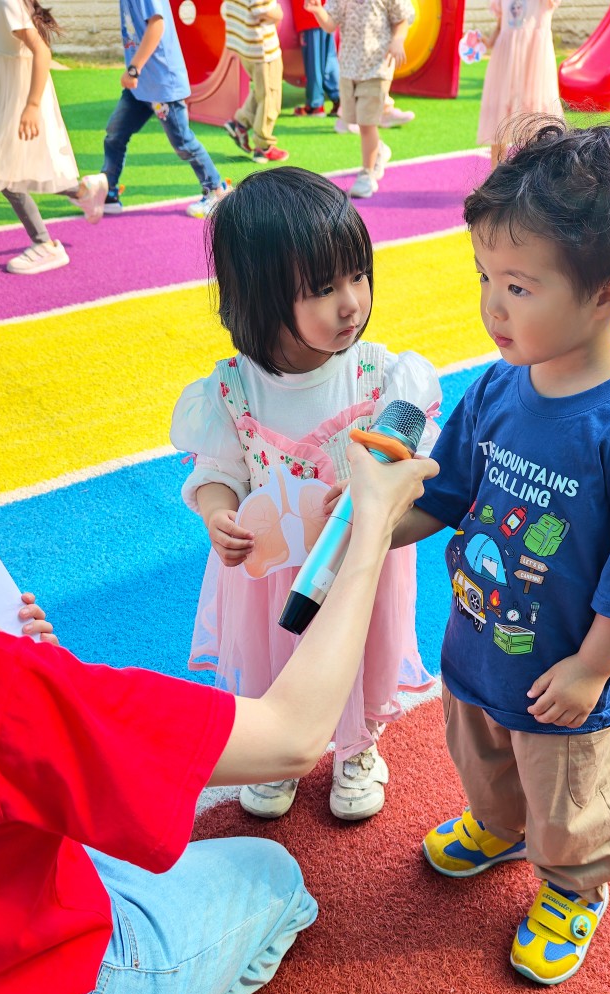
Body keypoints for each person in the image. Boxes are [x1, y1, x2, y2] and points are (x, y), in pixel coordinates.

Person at [0, 444, 437, 994]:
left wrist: (36, 680)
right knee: (275, 875)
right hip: (49, 993)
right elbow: (292, 737)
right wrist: (371, 528)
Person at [392, 119, 610, 985]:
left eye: (519, 286)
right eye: (485, 277)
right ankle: (497, 827)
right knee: (481, 756)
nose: (493, 305)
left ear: (604, 295)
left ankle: (572, 883)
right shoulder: (498, 385)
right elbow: (444, 493)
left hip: (562, 675)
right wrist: (373, 524)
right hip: (479, 642)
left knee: (567, 792)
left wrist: (592, 669)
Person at [171, 166, 441, 821]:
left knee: (362, 651)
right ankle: (275, 752)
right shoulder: (233, 390)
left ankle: (358, 747)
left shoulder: (382, 376)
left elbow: (417, 461)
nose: (351, 302)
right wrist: (219, 515)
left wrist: (381, 480)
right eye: (322, 289)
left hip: (358, 564)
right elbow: (219, 471)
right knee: (277, 661)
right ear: (260, 298)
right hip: (270, 573)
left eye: (358, 276)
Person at [0, 0, 108, 274]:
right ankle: (83, 192)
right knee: (13, 170)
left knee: (4, 173)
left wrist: (31, 106)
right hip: (5, 97)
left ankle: (45, 245)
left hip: (19, 99)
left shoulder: (6, 2)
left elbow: (41, 51)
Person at [101, 0, 230, 217]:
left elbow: (157, 25)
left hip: (162, 87)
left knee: (183, 142)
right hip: (141, 88)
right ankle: (108, 193)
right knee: (115, 134)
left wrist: (134, 69)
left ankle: (216, 191)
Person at [304, 0, 414, 198]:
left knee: (366, 124)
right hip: (349, 68)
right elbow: (330, 24)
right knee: (352, 121)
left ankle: (366, 175)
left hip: (377, 68)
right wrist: (318, 11)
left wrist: (398, 40)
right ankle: (378, 150)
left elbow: (402, 19)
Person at [477, 0, 562, 167]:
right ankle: (496, 174)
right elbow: (501, 27)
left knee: (536, 116)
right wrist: (485, 41)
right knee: (500, 113)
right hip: (505, 61)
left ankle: (538, 174)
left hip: (534, 63)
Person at [221, 0, 289, 163]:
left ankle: (241, 123)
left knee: (262, 89)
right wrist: (279, 13)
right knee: (270, 97)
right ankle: (263, 146)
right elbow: (263, 10)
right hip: (262, 48)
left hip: (245, 42)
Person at [290, 0, 340, 117]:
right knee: (328, 61)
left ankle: (315, 104)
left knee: (314, 63)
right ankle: (339, 100)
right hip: (325, 15)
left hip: (311, 16)